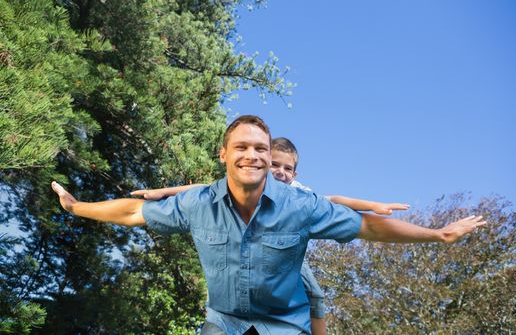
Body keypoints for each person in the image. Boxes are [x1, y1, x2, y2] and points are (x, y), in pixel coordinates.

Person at [51, 115, 486, 335]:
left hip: (285, 324)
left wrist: (437, 235)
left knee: (314, 292)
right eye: (242, 147)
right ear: (223, 154)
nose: (254, 156)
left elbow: (367, 226)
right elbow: (130, 212)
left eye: (261, 148)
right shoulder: (199, 203)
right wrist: (78, 207)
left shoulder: (302, 204)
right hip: (224, 321)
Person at [132, 136, 411, 335]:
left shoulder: (299, 193)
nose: (281, 172)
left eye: (287, 168)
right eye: (275, 165)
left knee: (314, 293)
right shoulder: (246, 184)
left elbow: (336, 198)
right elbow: (202, 190)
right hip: (249, 258)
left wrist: (373, 205)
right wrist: (164, 192)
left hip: (285, 260)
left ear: (295, 173)